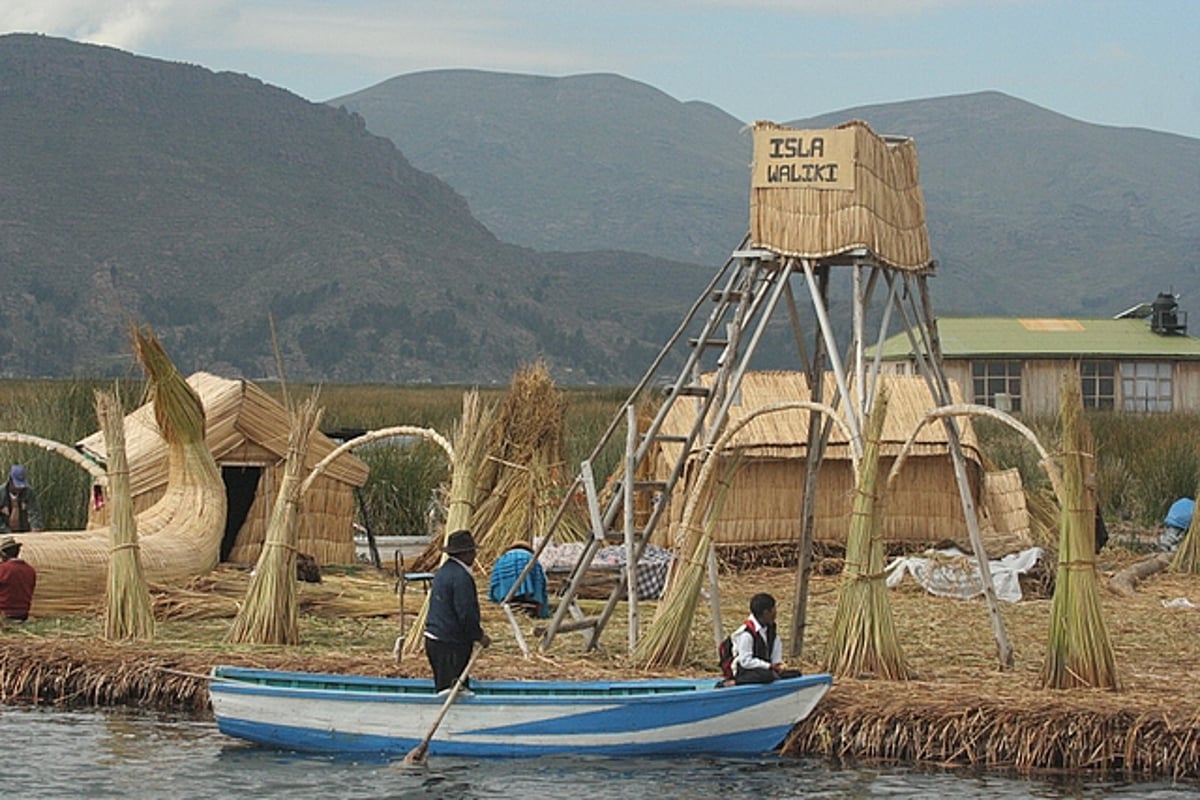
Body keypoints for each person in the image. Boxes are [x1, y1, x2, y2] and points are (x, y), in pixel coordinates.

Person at [424, 529, 491, 693]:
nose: (475, 556)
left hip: (437, 640)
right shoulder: (461, 577)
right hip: (449, 644)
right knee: (452, 692)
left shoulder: (444, 571)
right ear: (466, 553)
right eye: (473, 552)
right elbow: (466, 613)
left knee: (449, 687)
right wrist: (479, 635)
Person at [728, 592, 798, 685]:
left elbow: (775, 654)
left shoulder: (770, 631)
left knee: (795, 673)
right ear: (766, 612)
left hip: (766, 669)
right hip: (746, 671)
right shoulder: (747, 634)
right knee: (766, 676)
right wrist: (768, 666)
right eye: (774, 609)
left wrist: (778, 666)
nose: (776, 612)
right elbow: (745, 661)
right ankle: (734, 682)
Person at [488, 542, 549, 617]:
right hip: (528, 597)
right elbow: (540, 582)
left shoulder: (502, 558)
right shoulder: (530, 556)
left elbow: (495, 582)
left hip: (507, 594)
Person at [0, 534, 36, 621]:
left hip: (4, 613)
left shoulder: (3, 569)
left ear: (3, 554)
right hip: (23, 614)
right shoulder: (30, 570)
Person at [0, 464, 43, 533]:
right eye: (17, 485)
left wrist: (35, 525)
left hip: (25, 532)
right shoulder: (1, 493)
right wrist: (5, 531)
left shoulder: (29, 492)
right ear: (10, 480)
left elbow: (34, 511)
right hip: (4, 533)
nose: (20, 488)